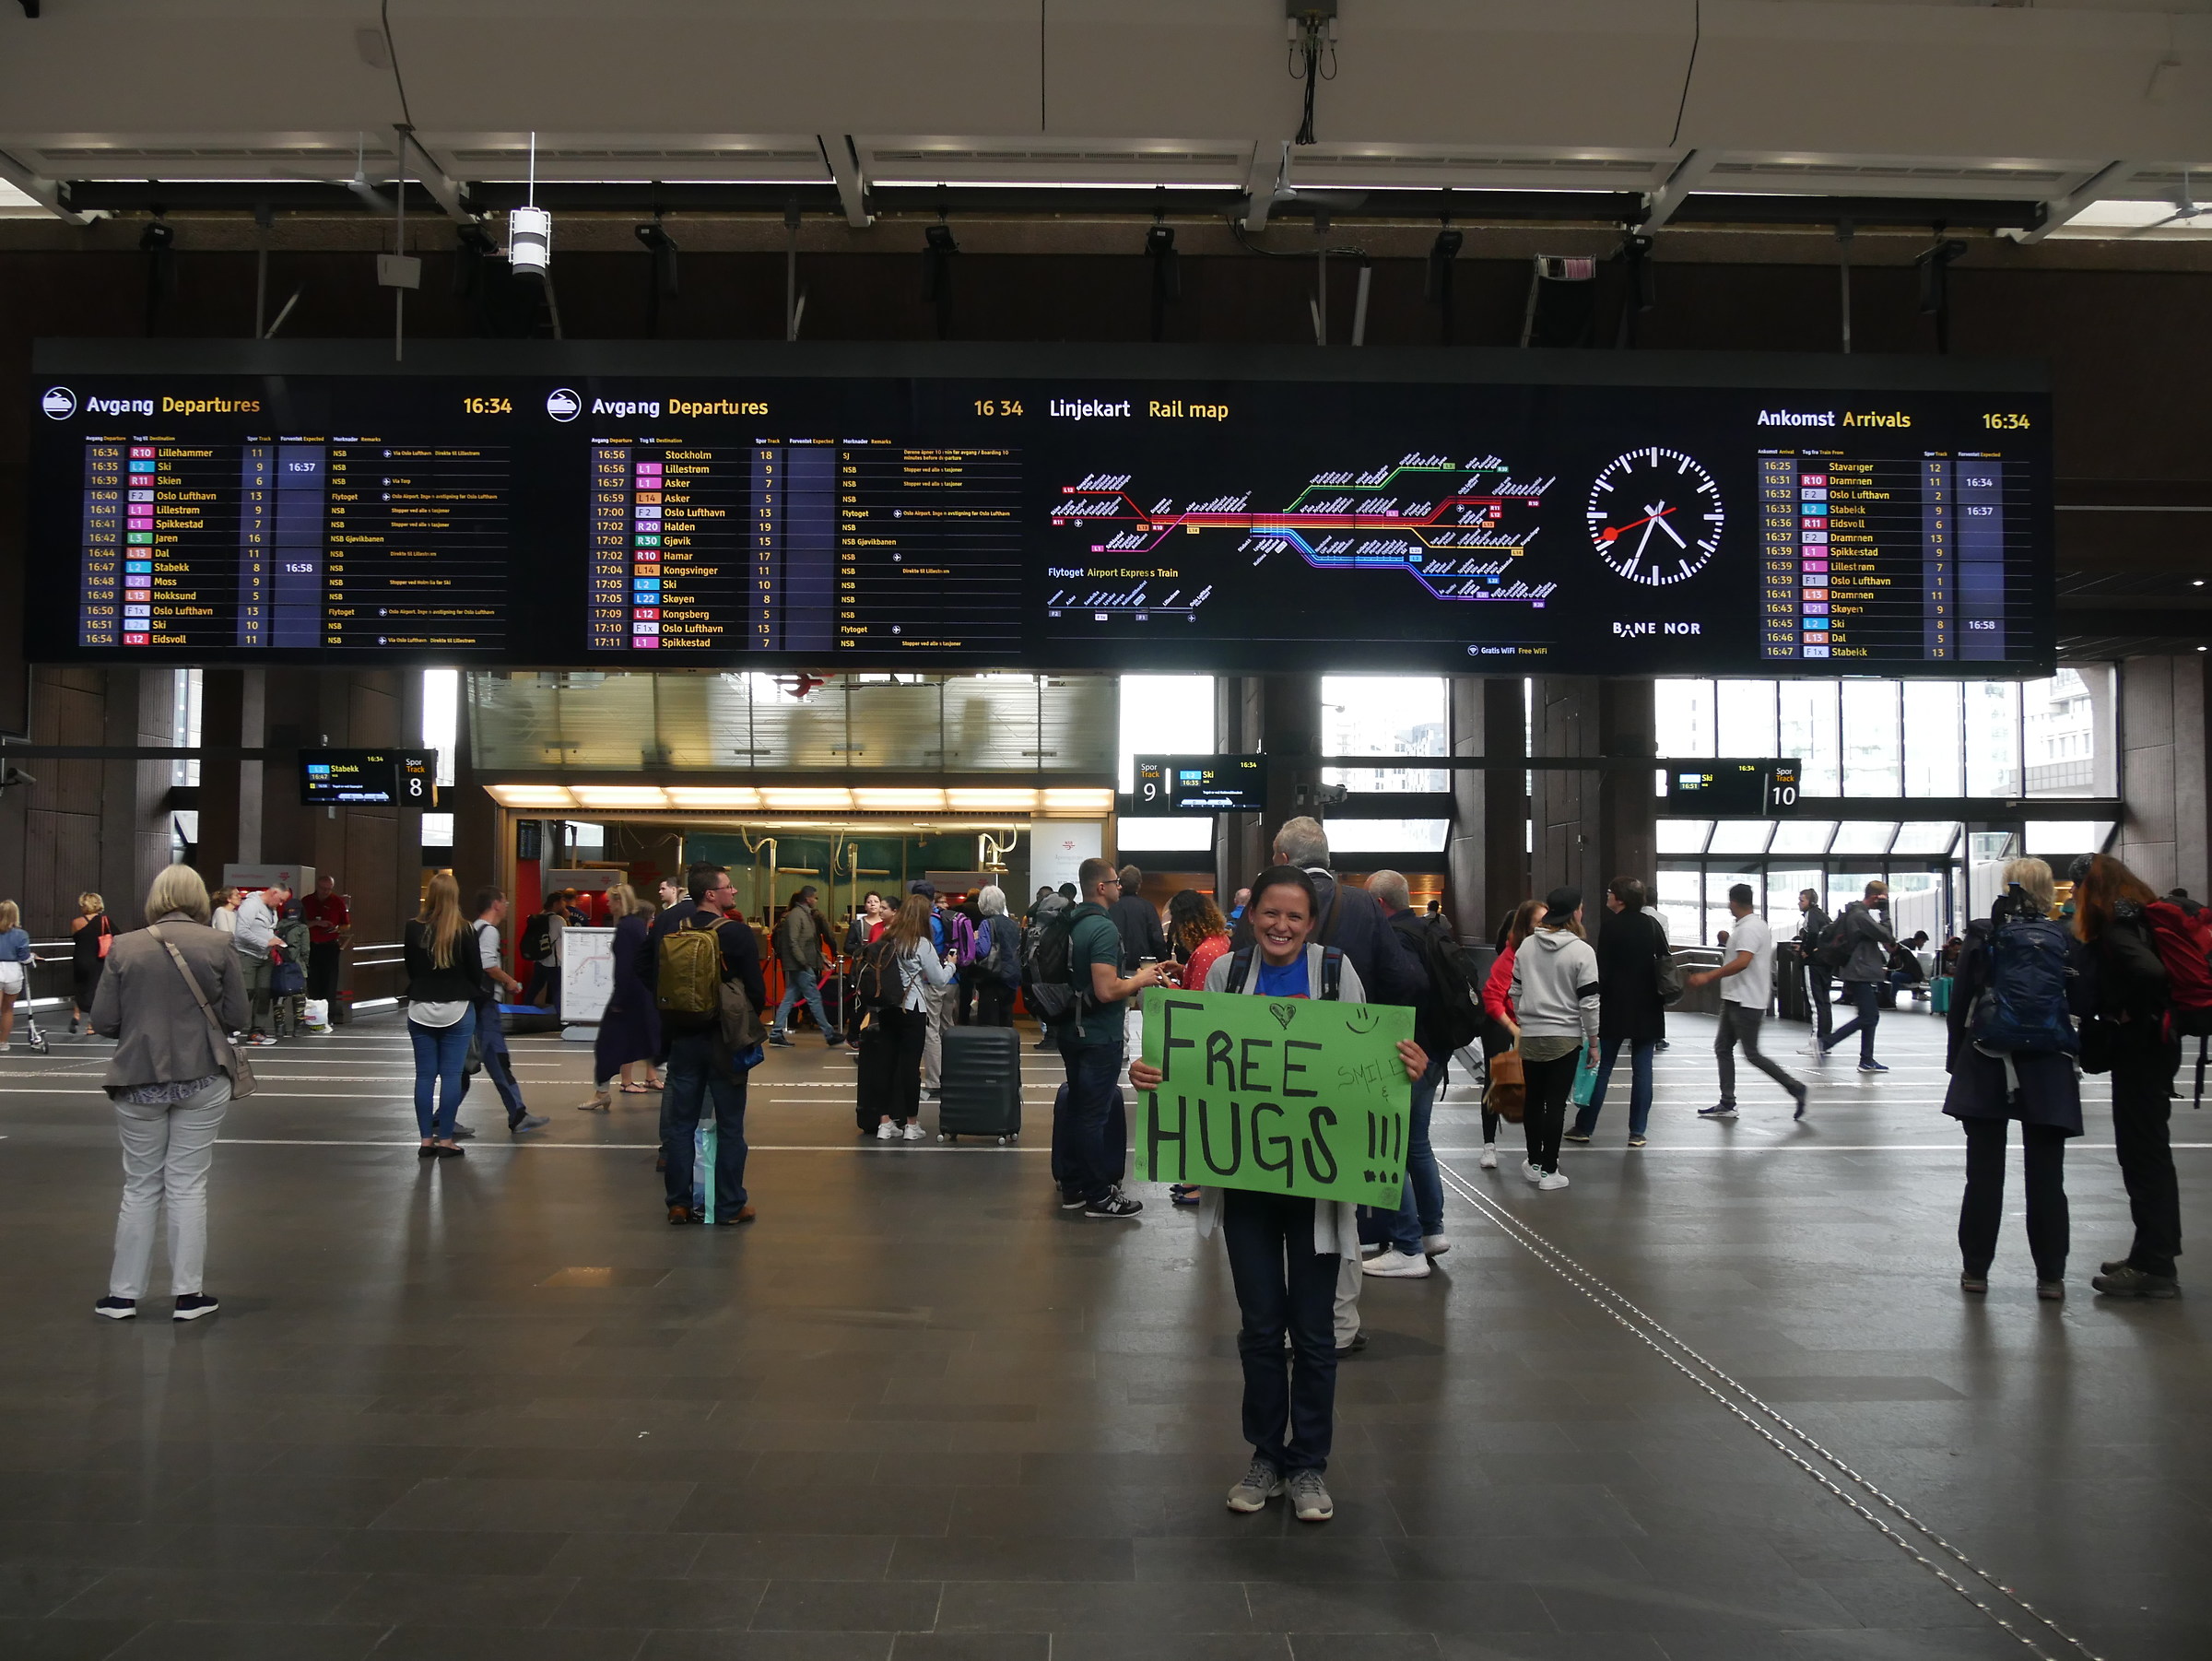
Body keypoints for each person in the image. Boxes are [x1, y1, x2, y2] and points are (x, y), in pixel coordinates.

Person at [1129, 865, 1427, 1526]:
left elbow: (1364, 1059)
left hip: (1318, 1186)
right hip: (1247, 1183)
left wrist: (1405, 1065)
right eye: (1270, 914)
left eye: (1294, 916)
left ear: (1311, 921)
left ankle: (1309, 1462)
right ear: (1250, 915)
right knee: (1261, 1327)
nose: (1281, 926)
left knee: (1314, 1331)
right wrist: (1152, 1071)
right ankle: (1266, 1453)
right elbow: (1192, 1066)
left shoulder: (1334, 973)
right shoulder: (1225, 976)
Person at [89, 865, 245, 1322]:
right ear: (198, 898)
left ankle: (122, 1296)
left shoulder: (125, 945)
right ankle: (187, 1295)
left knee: (139, 1185)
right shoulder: (218, 944)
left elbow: (104, 1020)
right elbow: (236, 1015)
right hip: (201, 1075)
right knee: (187, 1184)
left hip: (138, 1078)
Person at [1943, 858, 2087, 1300]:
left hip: (1986, 1060)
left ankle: (1976, 1271)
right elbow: (2081, 999)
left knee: (1983, 1174)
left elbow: (1961, 999)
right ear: (2048, 891)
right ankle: (2050, 1277)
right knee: (2047, 1176)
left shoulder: (1984, 934)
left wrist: (1956, 1061)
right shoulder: (2065, 937)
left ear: (2008, 886)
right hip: (2048, 1065)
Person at [2071, 854, 2183, 1298]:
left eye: (2078, 888)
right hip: (2156, 1046)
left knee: (2143, 1157)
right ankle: (2147, 1254)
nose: (2075, 897)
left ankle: (2156, 1267)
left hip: (2143, 1050)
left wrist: (2127, 1013)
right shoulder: (2138, 916)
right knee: (2146, 1153)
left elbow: (2149, 972)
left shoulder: (2118, 928)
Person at [649, 864, 767, 1226]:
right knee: (730, 1125)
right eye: (728, 888)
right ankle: (730, 1205)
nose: (734, 893)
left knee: (681, 1125)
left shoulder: (672, 928)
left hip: (684, 1038)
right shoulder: (737, 933)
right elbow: (756, 992)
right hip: (725, 1041)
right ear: (710, 894)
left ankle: (678, 1203)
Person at [1053, 857, 1162, 1218]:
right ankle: (1100, 1195)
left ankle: (1073, 1188)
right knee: (1093, 1116)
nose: (1120, 887)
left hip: (1071, 1029)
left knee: (1078, 1110)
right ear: (1101, 887)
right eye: (1115, 882)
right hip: (1098, 1035)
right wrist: (1141, 981)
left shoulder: (1071, 923)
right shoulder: (1101, 929)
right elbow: (1106, 989)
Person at [1365, 869, 1450, 1276]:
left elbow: (1406, 989)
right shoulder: (1430, 931)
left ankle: (1407, 1245)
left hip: (1407, 1054)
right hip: (1435, 1051)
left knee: (1388, 1145)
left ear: (1380, 905)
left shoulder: (1395, 939)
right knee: (1416, 1143)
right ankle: (1432, 1231)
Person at [1252, 819, 1428, 1005]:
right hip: (1348, 1027)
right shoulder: (1364, 904)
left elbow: (1242, 966)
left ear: (1284, 860)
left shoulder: (1265, 903)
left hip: (1266, 1026)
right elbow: (1403, 979)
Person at [1691, 882, 1808, 1122]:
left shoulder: (1749, 929)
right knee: (1723, 1048)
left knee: (1752, 1053)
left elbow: (1743, 961)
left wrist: (1709, 976)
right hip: (1736, 998)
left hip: (1746, 1001)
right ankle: (1727, 1102)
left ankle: (1794, 1087)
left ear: (1733, 902)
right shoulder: (1755, 925)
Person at [1510, 886, 1599, 1190]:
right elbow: (1589, 1001)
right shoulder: (1582, 951)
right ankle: (1550, 1171)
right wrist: (1594, 1040)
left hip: (1532, 1036)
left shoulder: (1526, 947)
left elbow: (1515, 992)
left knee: (1533, 1101)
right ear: (1575, 913)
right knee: (1556, 1105)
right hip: (1565, 1038)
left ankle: (1534, 1163)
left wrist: (1526, 1019)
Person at [1569, 877, 1668, 1148]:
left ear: (1621, 899)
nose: (1607, 896)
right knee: (1643, 1069)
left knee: (1601, 1068)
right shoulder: (1652, 924)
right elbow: (1665, 959)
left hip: (1614, 1006)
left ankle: (1584, 1126)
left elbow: (1603, 971)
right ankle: (1637, 1131)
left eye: (1610, 892)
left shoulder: (1611, 928)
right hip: (1649, 1005)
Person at [857, 891, 955, 1140]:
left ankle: (884, 1123)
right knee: (910, 1068)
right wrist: (952, 963)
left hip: (887, 1008)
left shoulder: (888, 938)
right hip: (913, 1009)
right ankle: (911, 1124)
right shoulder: (921, 943)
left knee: (885, 1065)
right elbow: (939, 980)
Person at [403, 872, 485, 1159]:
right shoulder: (464, 930)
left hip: (420, 1007)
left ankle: (426, 1140)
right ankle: (446, 1139)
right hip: (458, 1007)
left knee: (424, 1076)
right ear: (455, 897)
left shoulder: (413, 928)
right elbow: (477, 972)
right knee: (451, 1075)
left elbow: (411, 968)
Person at [465, 887, 547, 1133]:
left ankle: (518, 1112)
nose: (508, 905)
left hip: (477, 1005)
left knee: (489, 1060)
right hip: (486, 1007)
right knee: (476, 1062)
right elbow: (488, 963)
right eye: (505, 901)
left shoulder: (471, 929)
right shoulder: (488, 931)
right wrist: (509, 981)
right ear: (496, 904)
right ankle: (441, 1117)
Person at [1478, 899, 1547, 1171]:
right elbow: (1492, 997)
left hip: (1530, 1022)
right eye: (1538, 921)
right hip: (1501, 1020)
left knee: (1536, 1085)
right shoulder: (1511, 953)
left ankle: (1537, 1152)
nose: (1545, 926)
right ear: (1526, 925)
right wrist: (1513, 1029)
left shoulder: (1548, 950)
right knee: (1495, 1081)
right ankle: (1489, 1145)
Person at [587, 883, 664, 1104]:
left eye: (611, 901)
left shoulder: (625, 928)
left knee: (607, 1045)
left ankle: (601, 1092)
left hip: (628, 997)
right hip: (641, 996)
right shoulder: (637, 926)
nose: (608, 905)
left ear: (620, 901)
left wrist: (618, 999)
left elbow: (625, 967)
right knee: (649, 1042)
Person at [1818, 879, 1898, 1072]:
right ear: (1875, 897)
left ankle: (1867, 1059)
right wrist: (1885, 913)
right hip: (1859, 971)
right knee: (1869, 1016)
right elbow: (1887, 935)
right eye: (1883, 899)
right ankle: (1826, 1043)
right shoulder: (1861, 916)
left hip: (1858, 970)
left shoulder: (1856, 913)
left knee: (1869, 1016)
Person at [769, 885, 842, 1050]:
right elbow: (793, 941)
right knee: (814, 998)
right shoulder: (798, 916)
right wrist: (803, 962)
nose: (816, 900)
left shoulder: (801, 915)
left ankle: (776, 1033)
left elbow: (808, 943)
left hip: (800, 964)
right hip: (800, 965)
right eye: (815, 897)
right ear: (808, 898)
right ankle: (829, 1034)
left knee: (789, 998)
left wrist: (820, 957)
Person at [909, 881, 960, 1098]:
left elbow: (923, 956)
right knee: (947, 1028)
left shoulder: (925, 923)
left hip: (933, 982)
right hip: (953, 979)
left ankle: (934, 1081)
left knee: (931, 1031)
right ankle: (954, 1073)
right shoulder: (945, 917)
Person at [231, 881, 289, 1047]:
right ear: (274, 893)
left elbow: (268, 930)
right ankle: (229, 1027)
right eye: (280, 900)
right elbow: (241, 932)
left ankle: (257, 1031)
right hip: (248, 955)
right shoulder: (251, 904)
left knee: (264, 993)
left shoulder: (271, 909)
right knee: (245, 992)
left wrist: (274, 942)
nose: (280, 904)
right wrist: (264, 942)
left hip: (265, 957)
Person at [971, 885, 1020, 1028]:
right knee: (1006, 1020)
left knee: (989, 1023)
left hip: (992, 977)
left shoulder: (987, 923)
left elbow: (983, 950)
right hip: (1011, 978)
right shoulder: (1012, 924)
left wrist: (974, 939)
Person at [300, 873, 350, 1011]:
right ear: (317, 886)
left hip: (330, 945)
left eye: (329, 889)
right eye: (323, 888)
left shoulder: (337, 902)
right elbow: (300, 924)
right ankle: (314, 1013)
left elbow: (346, 924)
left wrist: (337, 928)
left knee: (330, 981)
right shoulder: (307, 901)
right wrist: (317, 923)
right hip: (311, 945)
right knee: (312, 980)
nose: (326, 892)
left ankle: (329, 1015)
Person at [68, 890, 114, 1037]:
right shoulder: (104, 921)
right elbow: (118, 937)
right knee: (95, 991)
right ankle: (90, 1025)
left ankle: (76, 1015)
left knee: (79, 987)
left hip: (79, 959)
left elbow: (76, 939)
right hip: (97, 960)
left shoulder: (76, 922)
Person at [1795, 888, 1834, 1054]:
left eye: (1802, 900)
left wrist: (1806, 950)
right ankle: (1825, 1040)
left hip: (1813, 964)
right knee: (1825, 1002)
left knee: (1815, 1002)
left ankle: (1815, 1041)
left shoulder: (1811, 914)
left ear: (1810, 902)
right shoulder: (1824, 916)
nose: (1799, 903)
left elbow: (1811, 933)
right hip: (1826, 963)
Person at [0, 901, 36, 1051]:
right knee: (8, 1009)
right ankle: (3, 1042)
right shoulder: (21, 934)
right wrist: (32, 957)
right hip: (13, 972)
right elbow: (24, 958)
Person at [523, 894, 566, 1008]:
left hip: (539, 960)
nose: (564, 905)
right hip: (554, 963)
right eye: (562, 902)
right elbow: (567, 938)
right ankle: (561, 1020)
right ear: (556, 903)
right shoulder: (558, 919)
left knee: (533, 989)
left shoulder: (539, 917)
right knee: (557, 992)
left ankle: (524, 1011)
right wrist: (567, 919)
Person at [845, 889, 888, 953]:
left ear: (881, 906)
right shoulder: (856, 924)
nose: (873, 904)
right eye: (869, 902)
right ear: (865, 907)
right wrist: (865, 948)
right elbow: (847, 947)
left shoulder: (887, 923)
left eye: (876, 902)